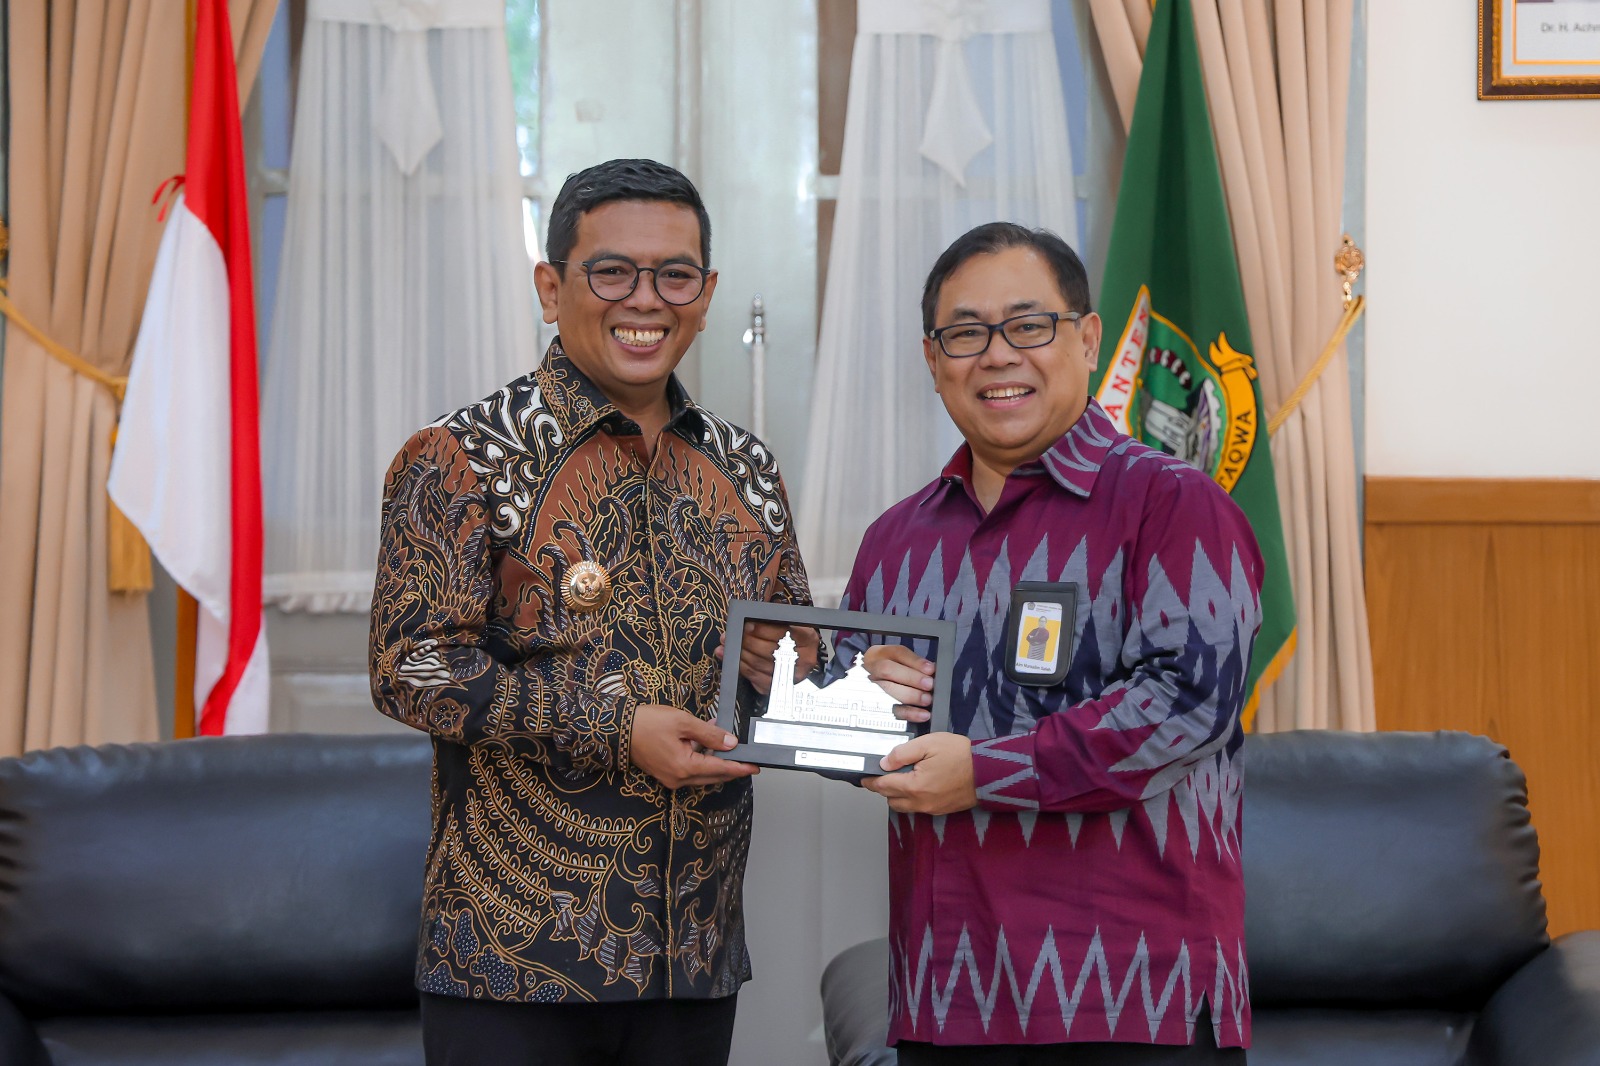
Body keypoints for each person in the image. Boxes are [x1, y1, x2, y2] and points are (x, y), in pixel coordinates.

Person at [369, 158, 818, 1066]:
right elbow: (409, 668)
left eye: (675, 275)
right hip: (510, 961)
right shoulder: (460, 455)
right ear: (551, 287)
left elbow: (786, 657)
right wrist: (618, 725)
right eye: (612, 272)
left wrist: (836, 680)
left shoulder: (747, 468)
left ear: (706, 294)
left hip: (694, 952)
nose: (645, 300)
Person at [844, 222, 1261, 1064]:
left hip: (1133, 998)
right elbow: (848, 726)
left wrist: (983, 772)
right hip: (944, 997)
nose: (998, 355)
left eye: (1029, 325)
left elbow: (1184, 707)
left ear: (1088, 338)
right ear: (933, 360)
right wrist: (850, 693)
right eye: (965, 333)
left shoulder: (1174, 506)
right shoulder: (895, 539)